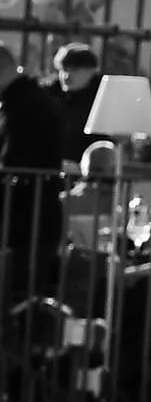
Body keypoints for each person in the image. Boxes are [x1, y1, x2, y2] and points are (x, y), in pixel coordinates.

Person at [0, 44, 65, 299]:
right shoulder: (26, 100)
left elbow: (15, 162)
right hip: (30, 218)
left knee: (16, 297)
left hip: (25, 221)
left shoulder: (25, 105)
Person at [50, 42, 103, 164]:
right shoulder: (51, 96)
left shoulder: (102, 98)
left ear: (91, 71)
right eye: (63, 69)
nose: (66, 76)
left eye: (73, 70)